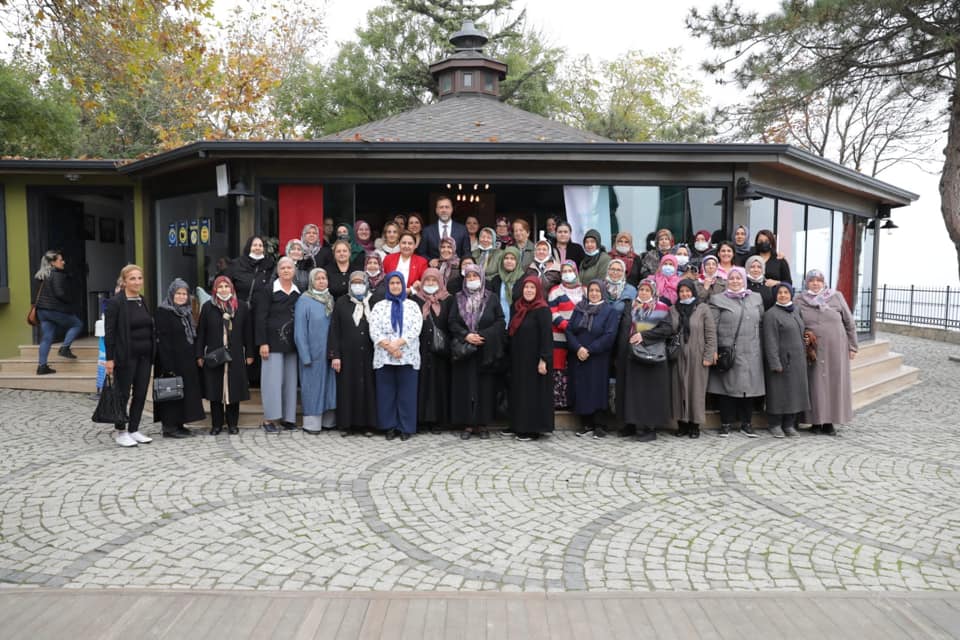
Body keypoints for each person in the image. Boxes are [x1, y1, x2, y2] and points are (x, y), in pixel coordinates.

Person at [796, 269, 858, 435]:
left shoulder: (835, 296)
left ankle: (829, 422)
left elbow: (849, 322)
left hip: (835, 349)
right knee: (815, 385)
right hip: (813, 350)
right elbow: (795, 322)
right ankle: (815, 421)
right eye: (811, 280)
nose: (815, 283)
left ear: (824, 283)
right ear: (806, 283)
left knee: (834, 383)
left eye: (819, 280)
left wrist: (853, 346)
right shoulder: (799, 300)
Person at [448, 265, 506, 440]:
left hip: (485, 349)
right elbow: (452, 322)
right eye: (469, 276)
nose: (472, 278)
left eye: (475, 275)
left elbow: (500, 321)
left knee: (484, 388)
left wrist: (483, 335)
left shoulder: (492, 298)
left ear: (481, 277)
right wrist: (467, 335)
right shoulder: (457, 298)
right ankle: (467, 424)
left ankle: (482, 424)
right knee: (465, 387)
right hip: (465, 350)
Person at [707, 267, 766, 438]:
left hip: (752, 350)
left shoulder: (756, 298)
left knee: (748, 388)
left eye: (738, 278)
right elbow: (712, 327)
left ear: (744, 280)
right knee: (727, 388)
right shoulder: (718, 299)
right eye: (731, 278)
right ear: (727, 281)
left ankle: (746, 423)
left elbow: (761, 323)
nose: (735, 281)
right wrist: (714, 350)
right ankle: (725, 423)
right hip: (729, 351)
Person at [615, 277, 676, 442]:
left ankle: (650, 428)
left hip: (653, 358)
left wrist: (643, 336)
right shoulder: (631, 306)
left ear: (653, 292)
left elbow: (667, 329)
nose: (643, 292)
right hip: (633, 356)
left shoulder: (662, 308)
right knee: (635, 393)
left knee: (651, 394)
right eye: (641, 289)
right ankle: (634, 425)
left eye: (647, 290)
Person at [104, 264, 155, 447]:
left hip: (145, 355)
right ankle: (121, 431)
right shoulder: (115, 302)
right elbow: (109, 333)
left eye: (139, 278)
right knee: (123, 394)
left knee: (140, 393)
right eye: (132, 278)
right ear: (124, 281)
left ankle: (134, 428)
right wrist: (109, 359)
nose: (137, 281)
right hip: (125, 355)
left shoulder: (143, 300)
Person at [196, 276, 254, 435]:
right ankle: (217, 424)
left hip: (235, 354)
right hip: (215, 354)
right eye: (220, 286)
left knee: (233, 390)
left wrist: (249, 353)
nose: (223, 289)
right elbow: (201, 332)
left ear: (231, 288)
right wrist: (199, 354)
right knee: (215, 391)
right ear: (215, 289)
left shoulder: (241, 307)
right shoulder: (208, 307)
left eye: (226, 286)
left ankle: (232, 424)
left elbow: (248, 332)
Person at [369, 272, 423, 441]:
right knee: (386, 394)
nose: (395, 286)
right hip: (384, 356)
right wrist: (390, 347)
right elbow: (374, 329)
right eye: (391, 283)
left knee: (407, 394)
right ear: (387, 285)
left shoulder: (412, 306)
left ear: (403, 285)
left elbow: (416, 328)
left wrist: (398, 344)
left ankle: (405, 427)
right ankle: (389, 426)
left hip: (407, 356)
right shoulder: (379, 306)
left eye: (398, 283)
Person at [567, 280, 619, 438]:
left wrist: (590, 349)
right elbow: (569, 330)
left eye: (597, 290)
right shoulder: (579, 308)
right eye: (591, 290)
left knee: (597, 389)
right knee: (582, 389)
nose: (594, 293)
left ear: (603, 292)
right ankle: (586, 423)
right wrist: (578, 348)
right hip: (579, 355)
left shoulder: (610, 311)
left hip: (598, 357)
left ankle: (599, 425)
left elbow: (609, 335)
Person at [153, 278, 205, 438]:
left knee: (182, 394)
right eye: (178, 293)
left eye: (185, 294)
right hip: (170, 362)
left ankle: (179, 424)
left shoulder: (187, 312)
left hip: (186, 361)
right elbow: (163, 340)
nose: (182, 297)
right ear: (171, 294)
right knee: (171, 393)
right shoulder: (164, 311)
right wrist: (169, 365)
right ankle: (169, 427)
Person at [329, 272, 379, 436]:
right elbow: (334, 330)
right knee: (347, 388)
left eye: (361, 282)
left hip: (370, 353)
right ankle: (346, 424)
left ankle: (368, 424)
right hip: (347, 354)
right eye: (354, 282)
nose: (358, 285)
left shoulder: (373, 301)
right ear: (350, 284)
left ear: (366, 283)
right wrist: (335, 355)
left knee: (368, 388)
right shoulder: (342, 302)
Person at [255, 256, 300, 433]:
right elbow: (260, 318)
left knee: (290, 382)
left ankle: (288, 418)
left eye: (289, 267)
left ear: (294, 271)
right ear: (278, 271)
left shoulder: (298, 291)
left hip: (292, 343)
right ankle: (269, 419)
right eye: (283, 268)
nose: (286, 270)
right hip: (271, 343)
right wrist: (262, 342)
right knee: (272, 382)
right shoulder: (268, 290)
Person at [508, 276, 554, 441]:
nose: (528, 291)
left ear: (538, 291)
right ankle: (517, 425)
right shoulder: (518, 307)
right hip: (519, 359)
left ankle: (532, 429)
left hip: (535, 360)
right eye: (526, 287)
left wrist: (544, 359)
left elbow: (547, 337)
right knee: (519, 392)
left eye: (532, 288)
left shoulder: (542, 309)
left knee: (532, 394)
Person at [670, 280, 716, 439]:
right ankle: (681, 424)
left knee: (695, 390)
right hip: (678, 356)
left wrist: (709, 355)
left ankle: (694, 425)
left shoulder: (702, 308)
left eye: (687, 291)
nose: (685, 294)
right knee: (679, 389)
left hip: (698, 355)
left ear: (693, 292)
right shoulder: (673, 309)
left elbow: (710, 334)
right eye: (681, 291)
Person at [763, 282, 810, 438]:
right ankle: (775, 424)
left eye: (786, 292)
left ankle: (789, 424)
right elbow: (770, 341)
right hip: (782, 360)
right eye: (779, 293)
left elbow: (802, 329)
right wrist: (774, 362)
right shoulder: (771, 314)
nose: (783, 295)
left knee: (794, 393)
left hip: (797, 361)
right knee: (778, 393)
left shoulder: (796, 310)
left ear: (791, 294)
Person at [294, 268, 337, 434]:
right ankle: (312, 424)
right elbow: (299, 331)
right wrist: (305, 355)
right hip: (312, 354)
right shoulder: (304, 300)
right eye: (317, 278)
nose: (321, 281)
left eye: (324, 278)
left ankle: (328, 421)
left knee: (329, 388)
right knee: (313, 388)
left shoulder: (330, 299)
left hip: (330, 353)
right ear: (312, 281)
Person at [411, 268, 453, 433]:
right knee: (422, 384)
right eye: (427, 281)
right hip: (420, 349)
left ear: (440, 282)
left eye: (433, 281)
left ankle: (437, 420)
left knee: (438, 384)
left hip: (440, 352)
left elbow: (451, 322)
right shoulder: (415, 299)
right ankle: (421, 419)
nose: (429, 284)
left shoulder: (447, 300)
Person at [33, 250, 84, 374]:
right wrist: (71, 301)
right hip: (54, 309)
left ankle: (42, 366)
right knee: (77, 324)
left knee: (47, 337)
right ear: (52, 262)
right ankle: (65, 348)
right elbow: (59, 293)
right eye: (60, 260)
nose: (63, 262)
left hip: (42, 311)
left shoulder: (42, 275)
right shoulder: (57, 274)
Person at [547, 261, 583, 409]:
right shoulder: (555, 291)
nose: (568, 274)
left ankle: (575, 402)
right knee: (559, 369)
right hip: (559, 336)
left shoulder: (585, 290)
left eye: (570, 270)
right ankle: (559, 402)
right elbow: (552, 312)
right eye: (564, 271)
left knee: (576, 368)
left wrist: (579, 327)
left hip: (580, 336)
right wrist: (566, 326)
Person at [227, 235, 275, 308]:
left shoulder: (269, 265)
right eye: (254, 245)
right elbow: (227, 284)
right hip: (240, 307)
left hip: (262, 309)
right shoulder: (237, 264)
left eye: (260, 245)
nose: (257, 248)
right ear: (249, 247)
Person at [490, 246, 524, 325]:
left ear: (518, 261)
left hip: (517, 326)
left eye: (512, 258)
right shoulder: (496, 280)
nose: (509, 261)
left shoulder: (524, 280)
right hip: (499, 325)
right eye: (506, 258)